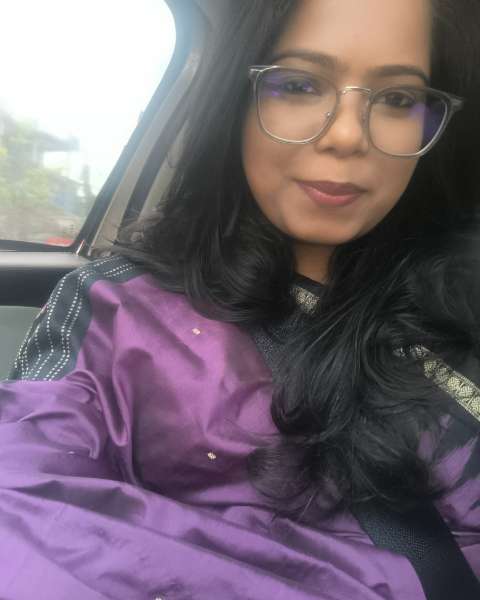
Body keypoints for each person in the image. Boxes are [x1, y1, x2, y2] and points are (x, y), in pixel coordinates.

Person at [0, 0, 479, 598]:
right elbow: (19, 493)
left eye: (398, 98)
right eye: (299, 85)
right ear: (236, 99)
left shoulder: (461, 289)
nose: (349, 135)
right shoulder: (118, 309)